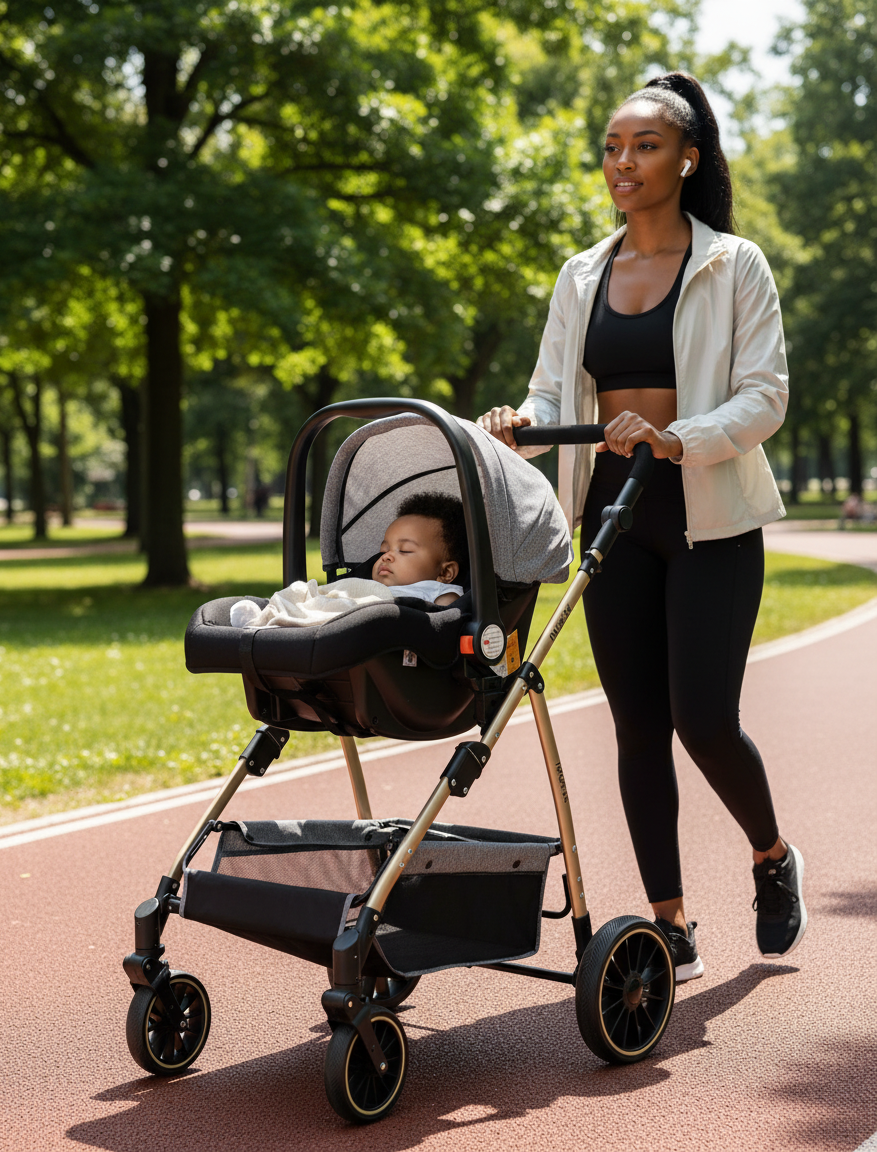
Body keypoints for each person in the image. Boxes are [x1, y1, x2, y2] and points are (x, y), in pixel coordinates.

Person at [478, 72, 806, 983]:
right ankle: (671, 923)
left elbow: (765, 398)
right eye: (613, 148)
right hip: (610, 516)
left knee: (704, 719)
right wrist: (521, 425)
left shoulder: (734, 265)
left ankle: (772, 860)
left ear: (688, 158)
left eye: (645, 147)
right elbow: (553, 389)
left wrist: (678, 438)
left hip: (708, 517)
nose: (623, 163)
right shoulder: (581, 273)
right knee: (635, 728)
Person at [229, 492, 466, 628]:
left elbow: (445, 626)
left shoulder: (439, 592)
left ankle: (276, 622)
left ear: (445, 573)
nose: (387, 555)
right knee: (308, 593)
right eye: (384, 549)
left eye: (404, 551)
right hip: (346, 615)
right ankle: (271, 615)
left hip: (374, 630)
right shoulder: (366, 586)